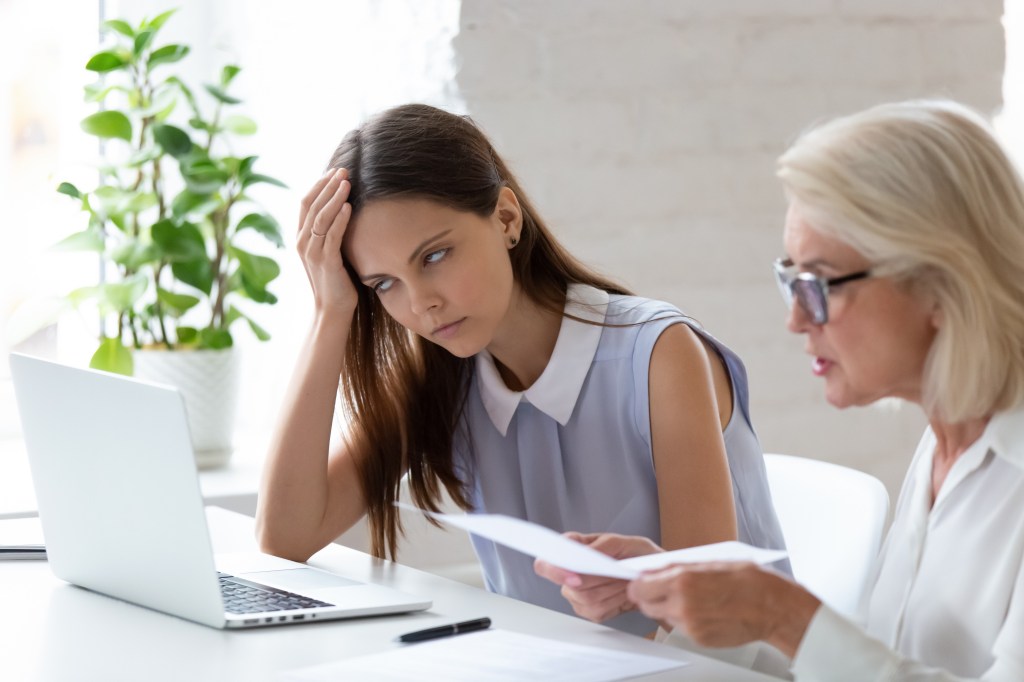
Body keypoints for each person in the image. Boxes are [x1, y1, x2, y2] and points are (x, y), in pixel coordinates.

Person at [255, 103, 786, 636]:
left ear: (506, 219)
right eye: (384, 283)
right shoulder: (436, 376)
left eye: (434, 256)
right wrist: (330, 311)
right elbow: (286, 538)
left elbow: (709, 631)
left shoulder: (659, 355)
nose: (421, 304)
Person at [537, 99, 1024, 679]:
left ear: (941, 284)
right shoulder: (944, 449)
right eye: (790, 280)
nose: (795, 319)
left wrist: (785, 616)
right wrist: (693, 598)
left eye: (818, 283)